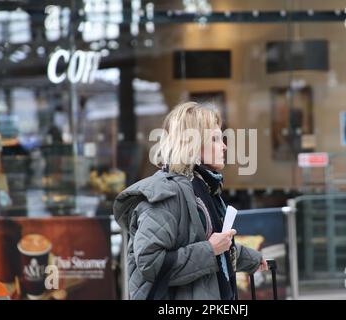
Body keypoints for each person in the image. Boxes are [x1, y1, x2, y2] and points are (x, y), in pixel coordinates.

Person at [114, 101, 267, 300]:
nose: (224, 146)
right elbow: (150, 262)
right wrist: (210, 250)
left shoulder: (203, 187)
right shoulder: (166, 192)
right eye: (215, 139)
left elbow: (206, 242)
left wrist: (253, 258)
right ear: (192, 145)